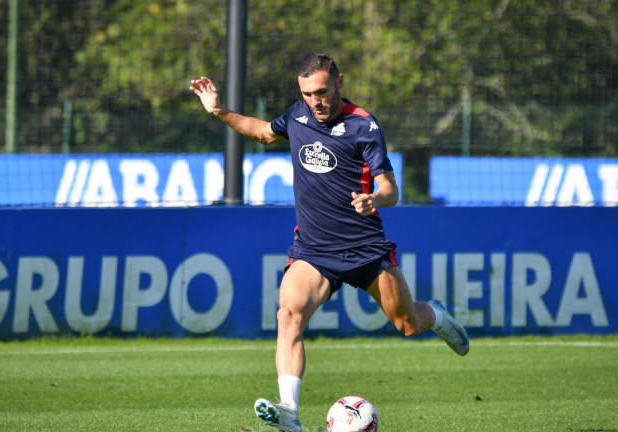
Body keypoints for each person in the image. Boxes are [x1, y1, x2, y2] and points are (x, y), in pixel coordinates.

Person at [189, 53, 469, 432]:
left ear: (340, 82)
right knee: (288, 314)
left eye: (321, 91)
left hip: (365, 249)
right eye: (307, 94)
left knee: (407, 323)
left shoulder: (363, 126)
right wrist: (219, 110)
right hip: (314, 251)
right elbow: (261, 131)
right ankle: (288, 410)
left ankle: (434, 314)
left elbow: (390, 188)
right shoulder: (298, 116)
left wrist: (376, 200)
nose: (315, 101)